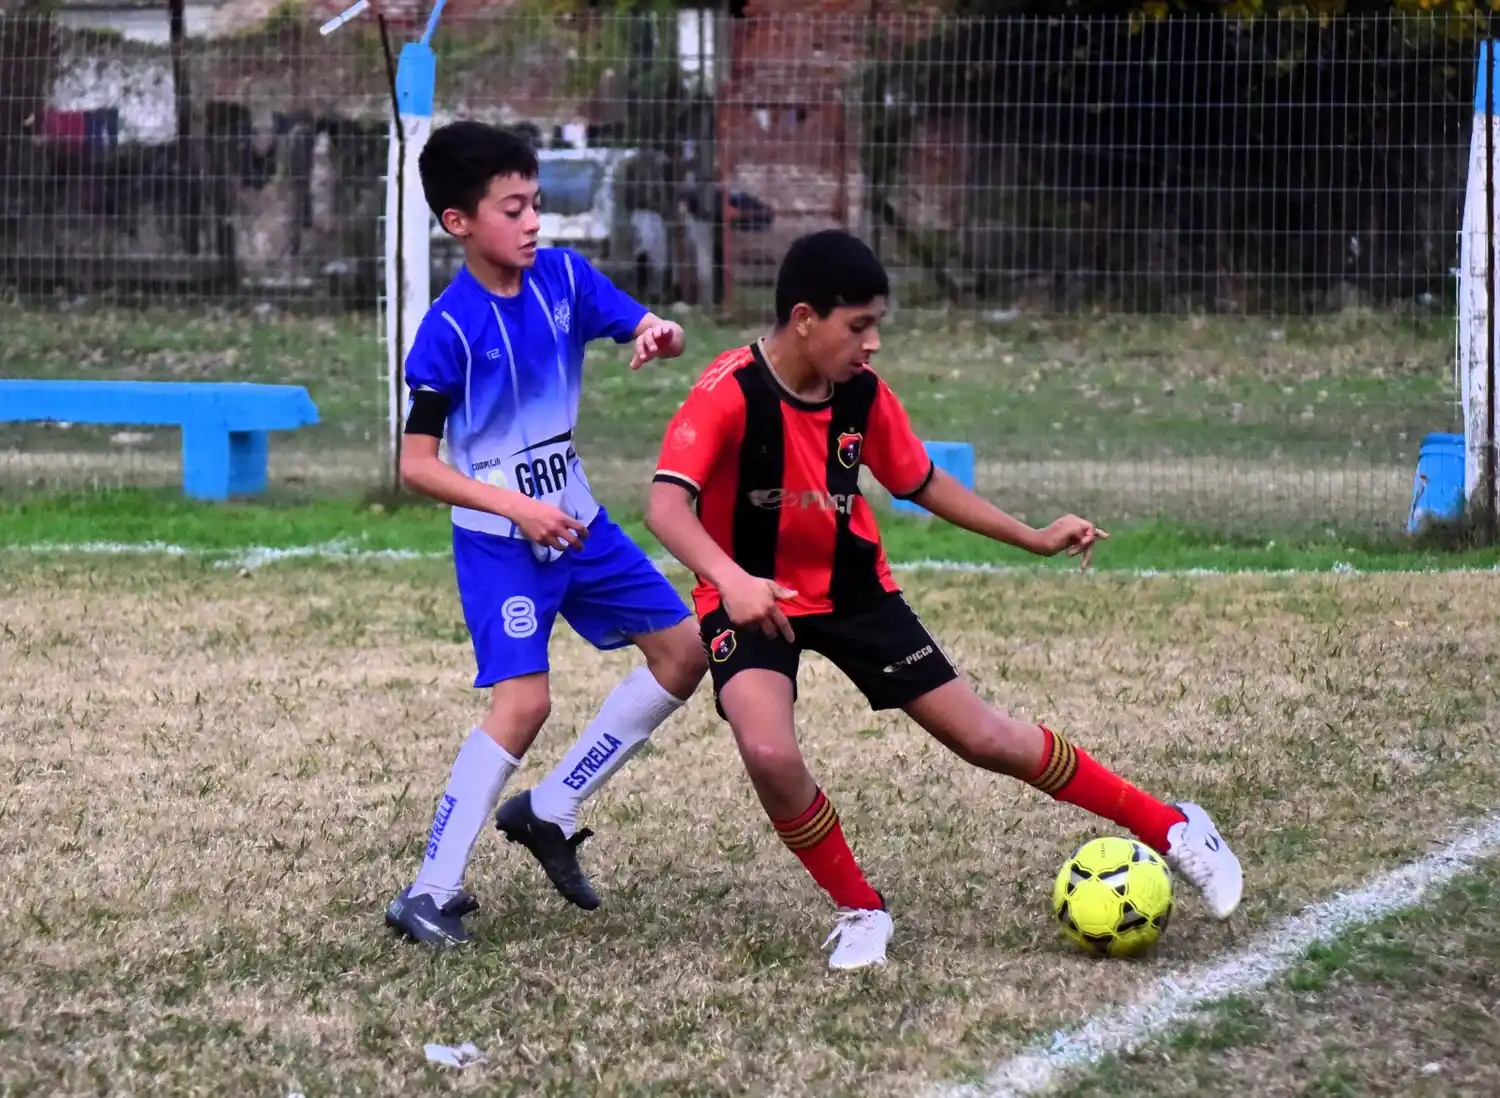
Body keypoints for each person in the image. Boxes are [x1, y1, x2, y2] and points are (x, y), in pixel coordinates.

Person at [644, 229, 1243, 971]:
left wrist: (1031, 536)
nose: (873, 344)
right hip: (751, 599)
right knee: (767, 749)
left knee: (985, 738)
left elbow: (920, 480)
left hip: (853, 592)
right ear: (805, 319)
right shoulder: (726, 391)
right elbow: (666, 506)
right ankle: (862, 910)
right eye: (859, 325)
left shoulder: (863, 396)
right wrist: (730, 579)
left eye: (877, 325)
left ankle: (1175, 827)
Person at [384, 120, 707, 948]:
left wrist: (654, 333)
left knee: (684, 651)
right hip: (503, 543)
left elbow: (639, 323)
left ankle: (551, 807)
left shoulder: (562, 277)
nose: (533, 223)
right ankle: (430, 890)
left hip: (579, 523)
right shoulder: (447, 332)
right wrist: (512, 508)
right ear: (459, 222)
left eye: (537, 204)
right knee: (525, 702)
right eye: (513, 208)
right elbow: (416, 464)